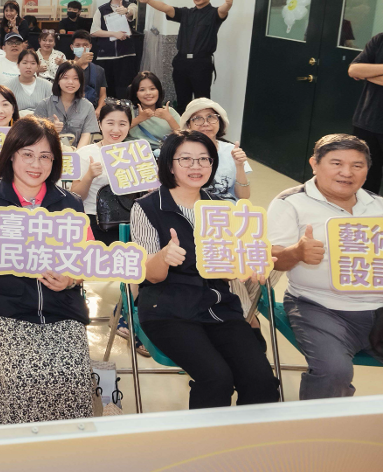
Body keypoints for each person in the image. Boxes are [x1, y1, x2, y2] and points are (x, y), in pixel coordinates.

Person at [0, 116, 93, 424]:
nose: (36, 164)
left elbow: (86, 258)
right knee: (25, 377)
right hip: (4, 312)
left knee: (74, 377)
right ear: (11, 155)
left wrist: (69, 279)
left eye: (45, 156)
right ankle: (14, 452)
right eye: (27, 154)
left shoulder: (71, 204)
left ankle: (67, 453)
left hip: (62, 309)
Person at [130, 130, 279, 409]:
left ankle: (250, 447)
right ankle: (207, 447)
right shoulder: (147, 207)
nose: (196, 166)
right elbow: (151, 275)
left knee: (261, 380)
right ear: (169, 164)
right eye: (185, 159)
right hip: (168, 308)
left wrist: (249, 266)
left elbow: (230, 267)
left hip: (219, 305)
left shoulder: (220, 208)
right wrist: (163, 256)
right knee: (216, 378)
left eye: (203, 159)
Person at [268, 134, 383, 400]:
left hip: (378, 308)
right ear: (314, 163)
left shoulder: (377, 205)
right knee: (333, 371)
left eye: (357, 165)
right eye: (336, 163)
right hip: (320, 307)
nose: (347, 172)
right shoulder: (291, 202)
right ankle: (316, 438)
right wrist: (296, 252)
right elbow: (273, 258)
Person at [139, 0, 234, 111]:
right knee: (182, 101)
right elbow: (166, 7)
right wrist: (148, 1)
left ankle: (201, 131)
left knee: (202, 102)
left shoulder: (213, 13)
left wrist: (228, 4)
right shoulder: (186, 13)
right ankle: (182, 130)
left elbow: (223, 11)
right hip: (181, 61)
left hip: (201, 63)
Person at [71, 101, 134, 244]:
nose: (116, 130)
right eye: (110, 123)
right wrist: (89, 176)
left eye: (122, 124)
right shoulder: (86, 153)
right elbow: (76, 195)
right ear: (100, 124)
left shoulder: (136, 153)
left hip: (131, 221)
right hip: (96, 221)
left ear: (129, 126)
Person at [181, 98, 251, 202]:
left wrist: (239, 165)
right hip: (194, 212)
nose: (205, 123)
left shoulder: (232, 150)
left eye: (211, 117)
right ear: (188, 125)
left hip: (227, 212)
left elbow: (244, 196)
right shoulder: (181, 153)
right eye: (197, 118)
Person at [91, 0, 138, 99]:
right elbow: (94, 31)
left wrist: (126, 11)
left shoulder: (131, 5)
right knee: (107, 88)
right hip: (106, 56)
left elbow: (132, 12)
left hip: (126, 55)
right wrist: (114, 34)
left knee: (125, 88)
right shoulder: (101, 9)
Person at [347, 30, 383, 193]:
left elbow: (362, 72)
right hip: (367, 122)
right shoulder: (380, 39)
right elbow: (354, 70)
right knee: (365, 180)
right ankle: (367, 218)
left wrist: (369, 74)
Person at [36, 62, 97, 149]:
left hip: (76, 152)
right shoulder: (44, 105)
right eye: (65, 78)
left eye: (76, 78)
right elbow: (35, 134)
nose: (70, 82)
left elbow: (86, 135)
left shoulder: (87, 106)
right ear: (58, 80)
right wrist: (51, 129)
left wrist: (77, 156)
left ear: (81, 82)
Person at [127, 71, 180, 151]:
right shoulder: (128, 111)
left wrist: (169, 118)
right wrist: (139, 119)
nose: (148, 93)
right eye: (142, 90)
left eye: (152, 89)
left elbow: (184, 137)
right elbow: (116, 132)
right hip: (134, 154)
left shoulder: (169, 111)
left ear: (159, 91)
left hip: (163, 154)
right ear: (136, 93)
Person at [69, 30, 107, 112]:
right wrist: (79, 63)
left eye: (85, 45)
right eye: (78, 45)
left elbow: (103, 95)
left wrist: (99, 109)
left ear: (90, 46)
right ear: (72, 47)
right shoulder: (64, 67)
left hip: (92, 111)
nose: (82, 48)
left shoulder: (99, 70)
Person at [9, 49, 52, 114]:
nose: (28, 67)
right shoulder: (8, 86)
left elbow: (51, 111)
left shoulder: (47, 86)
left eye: (33, 63)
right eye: (24, 63)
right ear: (18, 65)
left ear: (37, 66)